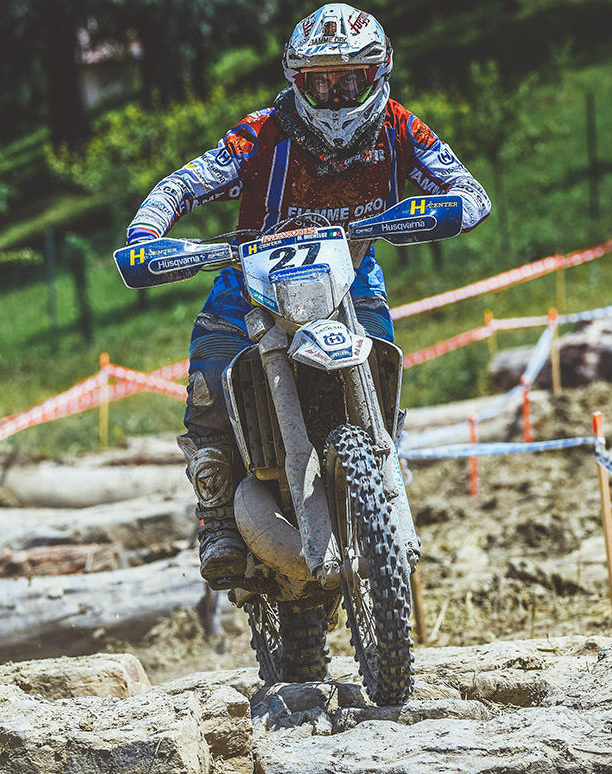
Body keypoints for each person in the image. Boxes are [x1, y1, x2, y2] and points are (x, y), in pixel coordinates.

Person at [126, 3, 491, 590]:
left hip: (352, 276)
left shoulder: (401, 128)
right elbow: (186, 182)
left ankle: (382, 469)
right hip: (252, 283)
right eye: (319, 82)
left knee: (385, 367)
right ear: (296, 81)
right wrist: (147, 231)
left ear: (378, 74)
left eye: (349, 80)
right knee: (209, 378)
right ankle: (216, 515)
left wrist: (439, 212)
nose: (335, 95)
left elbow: (470, 192)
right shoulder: (262, 132)